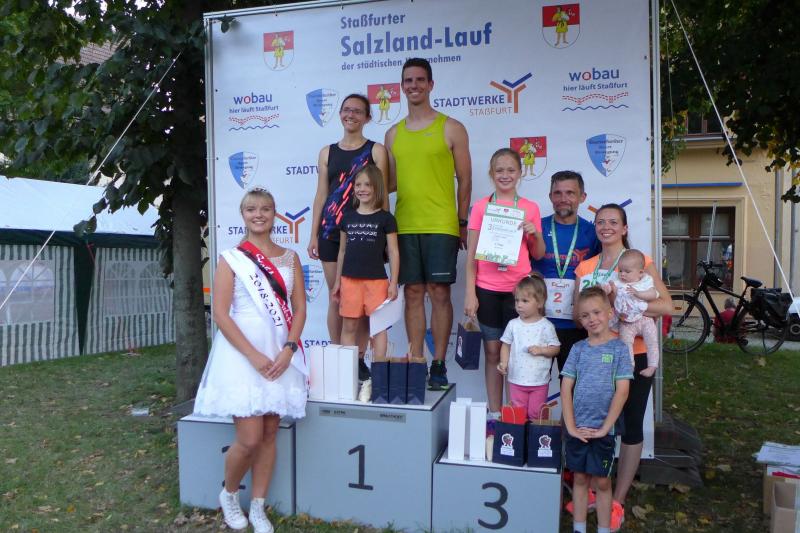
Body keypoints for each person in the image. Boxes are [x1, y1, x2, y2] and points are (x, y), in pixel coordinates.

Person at [194, 188, 308, 533]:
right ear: (243, 215)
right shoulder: (232, 259)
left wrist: (289, 349)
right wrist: (252, 355)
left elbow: (300, 308)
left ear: (275, 214)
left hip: (279, 352)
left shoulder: (290, 258)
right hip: (242, 354)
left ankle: (258, 506)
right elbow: (221, 314)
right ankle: (229, 494)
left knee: (270, 432)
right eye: (252, 209)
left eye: (266, 209)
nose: (259, 214)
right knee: (250, 438)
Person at [572, 203, 672, 531]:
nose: (607, 227)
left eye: (614, 222)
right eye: (601, 222)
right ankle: (592, 490)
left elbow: (666, 305)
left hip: (635, 353)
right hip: (597, 354)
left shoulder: (640, 261)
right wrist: (595, 310)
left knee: (630, 425)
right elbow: (577, 315)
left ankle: (617, 500)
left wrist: (627, 306)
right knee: (594, 420)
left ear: (625, 228)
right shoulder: (586, 267)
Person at [385, 57, 472, 389]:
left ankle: (438, 364)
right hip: (404, 224)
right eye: (408, 80)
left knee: (438, 292)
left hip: (441, 224)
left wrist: (461, 222)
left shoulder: (452, 127)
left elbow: (465, 179)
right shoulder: (392, 134)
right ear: (402, 86)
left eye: (420, 80)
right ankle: (416, 361)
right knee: (412, 293)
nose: (414, 85)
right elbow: (390, 183)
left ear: (431, 84)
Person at [308, 94, 389, 379]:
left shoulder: (376, 150)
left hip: (364, 235)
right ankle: (338, 357)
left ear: (367, 117)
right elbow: (321, 195)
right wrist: (313, 234)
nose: (350, 115)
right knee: (338, 298)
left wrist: (382, 236)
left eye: (357, 111)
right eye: (346, 110)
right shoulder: (326, 152)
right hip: (330, 232)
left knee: (362, 304)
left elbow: (382, 196)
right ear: (340, 114)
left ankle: (359, 359)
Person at [464, 147, 545, 416]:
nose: (505, 175)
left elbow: (538, 254)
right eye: (499, 170)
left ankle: (514, 416)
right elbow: (472, 255)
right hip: (487, 290)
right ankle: (495, 414)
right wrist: (470, 293)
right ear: (491, 173)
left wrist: (534, 234)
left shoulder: (530, 208)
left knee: (516, 355)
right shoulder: (481, 207)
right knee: (492, 352)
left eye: (511, 170)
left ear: (520, 173)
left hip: (519, 293)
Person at [561, 286, 632, 533]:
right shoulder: (578, 349)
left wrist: (605, 428)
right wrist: (571, 426)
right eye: (585, 315)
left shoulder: (619, 349)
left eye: (597, 312)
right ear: (580, 320)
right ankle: (578, 528)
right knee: (580, 478)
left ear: (610, 313)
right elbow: (566, 387)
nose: (592, 319)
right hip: (579, 429)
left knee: (602, 481)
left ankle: (603, 528)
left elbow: (622, 392)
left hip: (604, 430)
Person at [332, 164, 399, 385]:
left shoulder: (386, 219)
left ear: (377, 188)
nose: (362, 189)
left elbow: (393, 251)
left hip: (377, 281)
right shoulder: (347, 218)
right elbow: (342, 251)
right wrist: (337, 282)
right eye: (358, 185)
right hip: (349, 281)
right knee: (349, 327)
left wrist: (394, 282)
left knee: (378, 329)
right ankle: (347, 375)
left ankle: (379, 376)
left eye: (367, 185)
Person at [531, 171, 600, 374]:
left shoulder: (593, 232)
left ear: (582, 197)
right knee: (532, 383)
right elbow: (521, 266)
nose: (563, 199)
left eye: (570, 193)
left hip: (577, 324)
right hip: (538, 322)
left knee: (573, 384)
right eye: (558, 193)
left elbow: (601, 272)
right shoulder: (536, 228)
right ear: (550, 196)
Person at [497, 275, 560, 420]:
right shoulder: (513, 324)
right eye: (517, 300)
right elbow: (505, 345)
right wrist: (503, 363)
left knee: (536, 414)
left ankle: (537, 433)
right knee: (517, 414)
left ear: (540, 302)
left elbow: (556, 348)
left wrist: (542, 350)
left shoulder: (546, 326)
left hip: (539, 381)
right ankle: (519, 434)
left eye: (525, 301)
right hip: (516, 379)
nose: (519, 305)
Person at [602, 249, 660, 367]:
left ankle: (652, 365)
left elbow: (653, 294)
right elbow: (608, 288)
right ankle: (629, 365)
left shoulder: (645, 281)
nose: (622, 274)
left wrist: (638, 294)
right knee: (625, 343)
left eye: (627, 271)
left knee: (652, 341)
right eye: (620, 270)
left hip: (644, 319)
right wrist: (605, 289)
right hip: (625, 321)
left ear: (640, 272)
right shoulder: (617, 282)